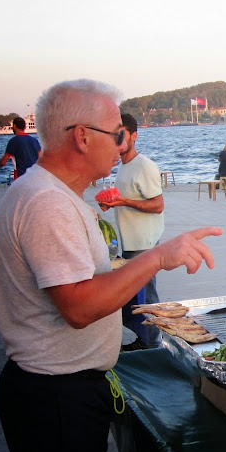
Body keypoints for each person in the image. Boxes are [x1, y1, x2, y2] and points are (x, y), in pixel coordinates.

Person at [0, 79, 222, 452]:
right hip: (54, 391)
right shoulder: (48, 203)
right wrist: (158, 257)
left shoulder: (51, 195)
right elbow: (79, 306)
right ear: (80, 136)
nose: (123, 144)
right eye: (116, 133)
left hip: (53, 386)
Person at [97, 113, 165, 350]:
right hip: (129, 241)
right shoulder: (122, 166)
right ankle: (145, 339)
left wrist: (124, 202)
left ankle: (154, 345)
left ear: (134, 136)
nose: (117, 138)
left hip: (144, 242)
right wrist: (110, 203)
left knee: (146, 298)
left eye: (122, 134)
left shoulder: (144, 166)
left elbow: (158, 205)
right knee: (132, 299)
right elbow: (126, 199)